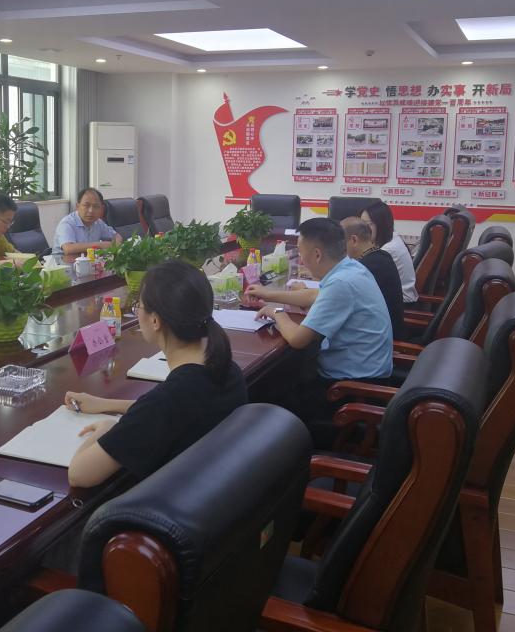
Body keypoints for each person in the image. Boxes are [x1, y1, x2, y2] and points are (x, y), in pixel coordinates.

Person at [64, 260, 246, 488]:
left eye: (138, 306)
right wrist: (105, 404)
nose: (137, 312)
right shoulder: (226, 368)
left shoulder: (168, 399)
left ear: (155, 320)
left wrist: (105, 429)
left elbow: (79, 474)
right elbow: (169, 411)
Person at [246, 217, 393, 424]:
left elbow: (298, 339)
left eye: (300, 252)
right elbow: (315, 296)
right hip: (366, 374)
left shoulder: (341, 283)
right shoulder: (351, 267)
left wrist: (277, 313)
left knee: (266, 395)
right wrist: (268, 294)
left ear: (316, 254)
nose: (301, 259)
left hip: (350, 389)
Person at [342, 217, 404, 339]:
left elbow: (335, 297)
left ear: (354, 240)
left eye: (341, 243)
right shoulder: (381, 256)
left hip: (380, 338)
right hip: (380, 330)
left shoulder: (366, 268)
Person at [362, 199, 417, 304]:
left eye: (367, 224)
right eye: (361, 224)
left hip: (403, 303)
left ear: (380, 224)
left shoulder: (387, 250)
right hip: (397, 297)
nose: (362, 229)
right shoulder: (392, 237)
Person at [53, 187, 124, 255]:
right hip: (62, 261)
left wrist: (116, 245)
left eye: (96, 206)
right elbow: (68, 249)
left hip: (88, 261)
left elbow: (117, 236)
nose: (91, 211)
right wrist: (100, 245)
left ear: (101, 209)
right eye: (86, 205)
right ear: (77, 206)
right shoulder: (67, 223)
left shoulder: (98, 222)